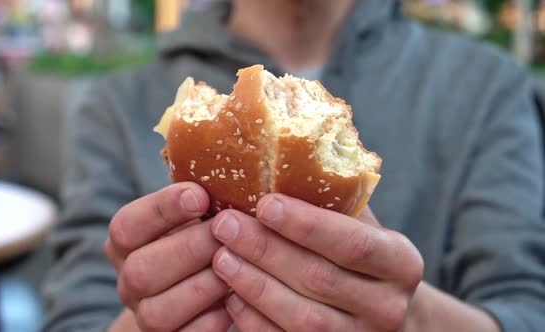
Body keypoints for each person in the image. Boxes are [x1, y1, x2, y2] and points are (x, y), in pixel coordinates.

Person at [42, 0, 545, 331]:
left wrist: (415, 321)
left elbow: (526, 308)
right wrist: (144, 319)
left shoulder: (488, 88)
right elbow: (73, 316)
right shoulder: (115, 105)